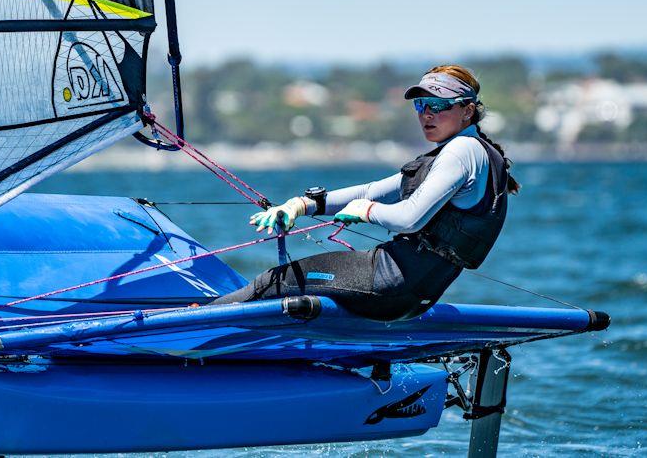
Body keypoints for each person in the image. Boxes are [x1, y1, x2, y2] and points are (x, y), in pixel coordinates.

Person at [211, 65, 520, 321]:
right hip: (414, 295)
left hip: (388, 282)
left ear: (467, 111)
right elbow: (374, 190)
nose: (426, 114)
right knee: (291, 288)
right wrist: (301, 205)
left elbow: (409, 218)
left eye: (438, 106)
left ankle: (184, 329)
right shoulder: (471, 154)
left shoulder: (462, 151)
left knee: (272, 282)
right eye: (420, 105)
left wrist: (367, 210)